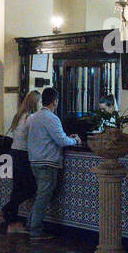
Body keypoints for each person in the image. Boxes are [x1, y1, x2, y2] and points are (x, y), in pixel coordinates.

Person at [24, 87, 80, 242]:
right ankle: (35, 229)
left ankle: (30, 224)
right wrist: (75, 140)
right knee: (43, 196)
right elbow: (61, 141)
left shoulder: (34, 117)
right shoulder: (51, 118)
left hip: (34, 160)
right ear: (55, 101)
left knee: (40, 194)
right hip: (47, 162)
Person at [0, 90, 40, 234]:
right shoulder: (31, 118)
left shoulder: (18, 116)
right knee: (30, 188)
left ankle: (11, 223)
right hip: (23, 156)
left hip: (12, 154)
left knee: (17, 188)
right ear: (35, 103)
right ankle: (2, 212)